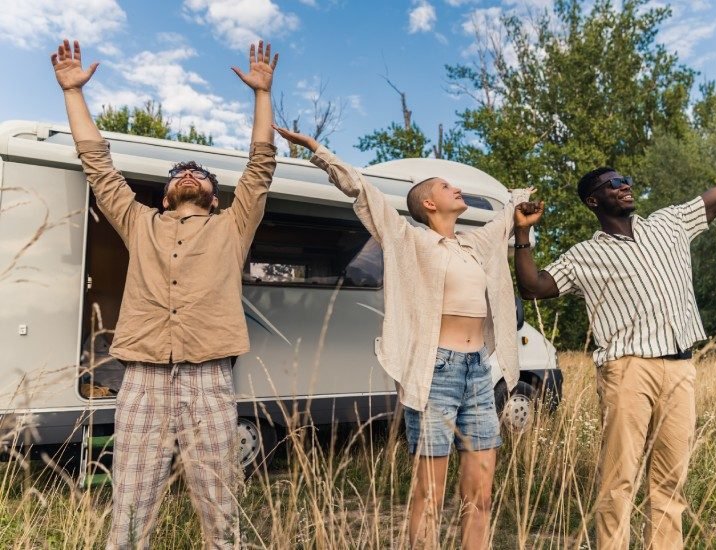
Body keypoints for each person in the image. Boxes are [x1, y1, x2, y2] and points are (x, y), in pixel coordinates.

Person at [512, 111, 716, 549]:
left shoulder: (670, 224)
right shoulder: (585, 255)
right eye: (612, 183)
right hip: (626, 371)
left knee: (670, 483)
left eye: (624, 179)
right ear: (593, 201)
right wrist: (522, 236)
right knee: (619, 481)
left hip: (680, 370)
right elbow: (533, 286)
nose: (623, 184)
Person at [51, 38, 279, 548]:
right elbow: (98, 166)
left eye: (197, 173)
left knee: (221, 513)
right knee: (129, 515)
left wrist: (263, 94)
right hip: (143, 379)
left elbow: (260, 166)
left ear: (214, 196)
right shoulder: (138, 222)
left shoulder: (234, 225)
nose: (187, 174)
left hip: (209, 377)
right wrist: (72, 93)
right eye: (178, 174)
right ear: (167, 192)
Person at [272, 125, 530, 548]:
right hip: (435, 374)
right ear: (428, 203)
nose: (457, 188)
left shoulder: (474, 244)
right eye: (447, 186)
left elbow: (506, 220)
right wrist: (317, 150)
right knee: (429, 496)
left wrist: (520, 207)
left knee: (479, 497)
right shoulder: (408, 239)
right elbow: (361, 191)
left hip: (479, 375)